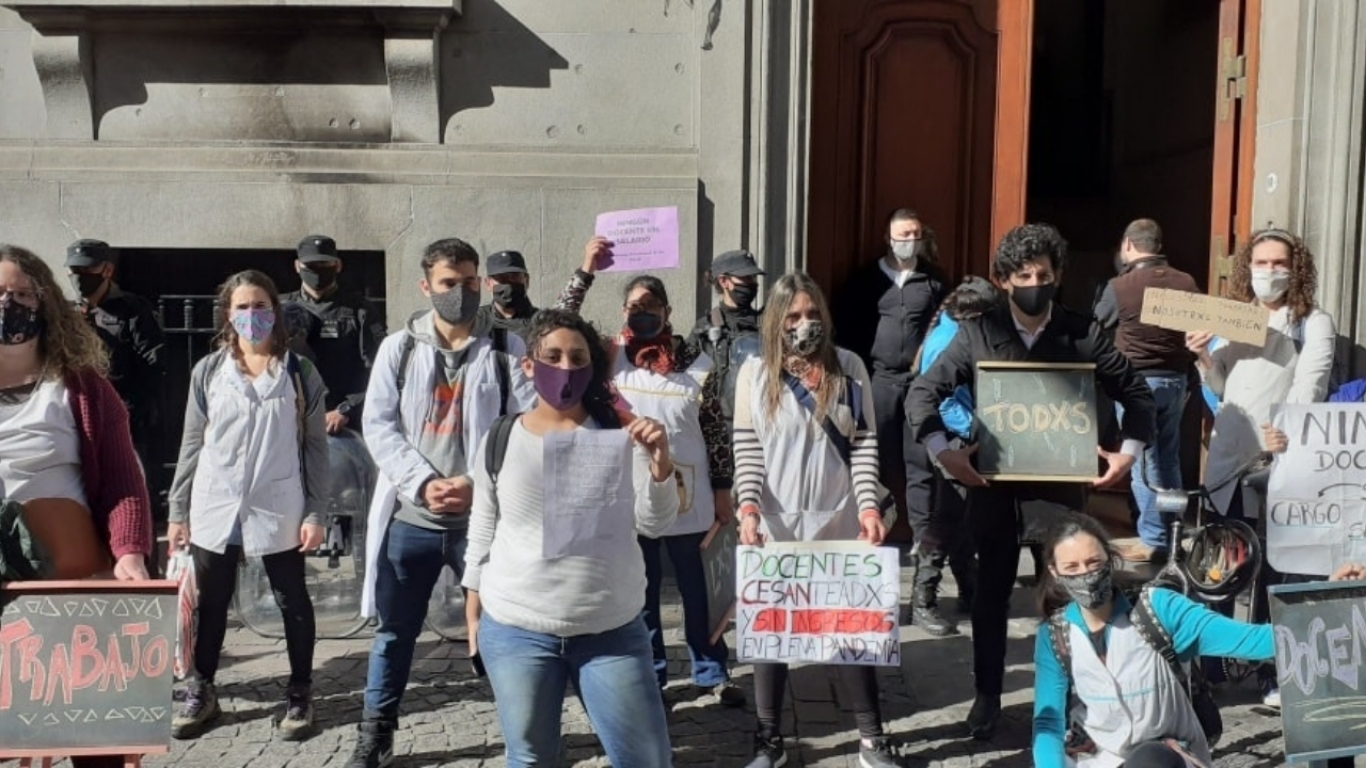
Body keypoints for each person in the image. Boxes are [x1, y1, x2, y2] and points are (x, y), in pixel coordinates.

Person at [906, 223, 1156, 739]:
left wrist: (1127, 454)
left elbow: (1137, 392)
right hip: (994, 487)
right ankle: (987, 696)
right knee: (990, 598)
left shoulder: (1082, 332)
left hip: (1060, 493)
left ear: (1057, 277)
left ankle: (1069, 700)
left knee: (1068, 599)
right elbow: (922, 394)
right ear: (1003, 280)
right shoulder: (977, 331)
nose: (1035, 283)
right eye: (1024, 275)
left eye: (1044, 274)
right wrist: (943, 451)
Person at [347, 238, 535, 768]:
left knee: (503, 629)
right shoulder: (399, 348)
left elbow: (522, 424)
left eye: (471, 281)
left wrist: (479, 482)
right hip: (413, 517)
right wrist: (422, 482)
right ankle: (376, 732)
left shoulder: (506, 348)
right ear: (426, 286)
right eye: (450, 283)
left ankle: (524, 735)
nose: (463, 292)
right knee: (394, 632)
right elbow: (379, 425)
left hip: (483, 519)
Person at [462, 308, 679, 768]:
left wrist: (660, 464)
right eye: (553, 356)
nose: (565, 368)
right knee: (531, 757)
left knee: (648, 760)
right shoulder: (500, 437)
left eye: (578, 358)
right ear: (528, 365)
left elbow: (653, 523)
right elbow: (483, 525)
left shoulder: (620, 433)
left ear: (593, 367)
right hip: (517, 628)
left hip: (611, 631)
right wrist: (473, 609)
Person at [733, 271, 900, 768]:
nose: (804, 324)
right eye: (792, 317)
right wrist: (747, 506)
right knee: (771, 635)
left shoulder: (848, 367)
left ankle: (872, 738)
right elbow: (747, 447)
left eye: (811, 314)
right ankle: (769, 738)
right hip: (777, 527)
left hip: (838, 523)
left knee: (853, 632)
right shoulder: (755, 373)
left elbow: (864, 442)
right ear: (775, 323)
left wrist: (868, 505)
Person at [0, 245, 156, 766]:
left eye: (22, 294)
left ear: (45, 304)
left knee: (91, 734)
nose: (9, 305)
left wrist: (130, 551)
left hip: (74, 591)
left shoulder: (84, 389)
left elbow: (123, 482)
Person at [166, 270, 329, 741]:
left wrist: (316, 512)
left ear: (275, 312)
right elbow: (192, 443)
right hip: (216, 502)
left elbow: (315, 448)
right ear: (227, 314)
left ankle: (300, 691)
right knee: (211, 604)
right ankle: (202, 687)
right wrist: (178, 510)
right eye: (242, 307)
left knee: (290, 599)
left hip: (279, 501)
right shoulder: (209, 372)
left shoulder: (300, 372)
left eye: (260, 306)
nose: (251, 316)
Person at [1032, 512, 1278, 768]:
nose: (1085, 574)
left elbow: (1254, 640)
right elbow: (1048, 723)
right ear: (1054, 572)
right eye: (1072, 567)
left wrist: (1315, 615)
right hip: (1096, 755)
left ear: (1110, 559)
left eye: (1094, 562)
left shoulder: (1158, 609)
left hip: (1164, 754)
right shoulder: (1054, 634)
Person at [835, 209, 946, 611]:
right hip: (876, 382)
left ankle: (922, 547)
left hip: (919, 385)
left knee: (921, 466)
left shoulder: (934, 282)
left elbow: (948, 331)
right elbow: (845, 329)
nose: (909, 240)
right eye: (903, 234)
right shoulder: (865, 281)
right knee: (872, 461)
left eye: (915, 234)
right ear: (887, 236)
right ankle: (871, 532)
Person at [1190, 227, 1334, 518]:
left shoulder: (1313, 322)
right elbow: (1219, 386)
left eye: (1279, 263)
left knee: (1264, 549)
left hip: (1273, 453)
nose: (1269, 271)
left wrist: (1284, 431)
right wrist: (1202, 354)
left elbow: (1311, 384)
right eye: (1261, 263)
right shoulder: (1233, 316)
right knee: (1223, 547)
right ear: (1249, 267)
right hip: (1226, 451)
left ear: (1296, 270)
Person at [1100, 219, 1200, 563]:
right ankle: (1172, 528)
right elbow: (1197, 328)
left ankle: (1154, 538)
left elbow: (1099, 322)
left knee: (1142, 461)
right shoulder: (1185, 282)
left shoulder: (1122, 285)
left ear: (1128, 244)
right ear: (1158, 246)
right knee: (1167, 458)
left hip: (1137, 383)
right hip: (1176, 380)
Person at [908, 276, 997, 635]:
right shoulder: (948, 341)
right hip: (953, 439)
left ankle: (970, 589)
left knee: (964, 516)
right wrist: (975, 428)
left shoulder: (955, 329)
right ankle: (923, 601)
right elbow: (939, 400)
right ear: (973, 315)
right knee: (945, 519)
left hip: (964, 434)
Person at [65, 239, 166, 513]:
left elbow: (152, 363)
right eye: (74, 271)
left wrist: (141, 408)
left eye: (87, 270)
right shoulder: (65, 313)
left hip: (125, 413)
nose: (79, 278)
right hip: (76, 413)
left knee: (130, 488)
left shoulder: (133, 309)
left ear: (107, 270)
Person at [281, 235, 386, 434]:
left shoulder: (360, 310)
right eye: (311, 265)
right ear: (297, 266)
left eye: (324, 263)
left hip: (342, 423)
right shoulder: (280, 309)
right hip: (290, 420)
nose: (318, 270)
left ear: (337, 265)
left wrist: (347, 408)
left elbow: (379, 369)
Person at [473, 250, 539, 340]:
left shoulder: (543, 323)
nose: (509, 284)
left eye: (515, 277)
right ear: (488, 284)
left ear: (526, 280)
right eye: (502, 278)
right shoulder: (476, 321)